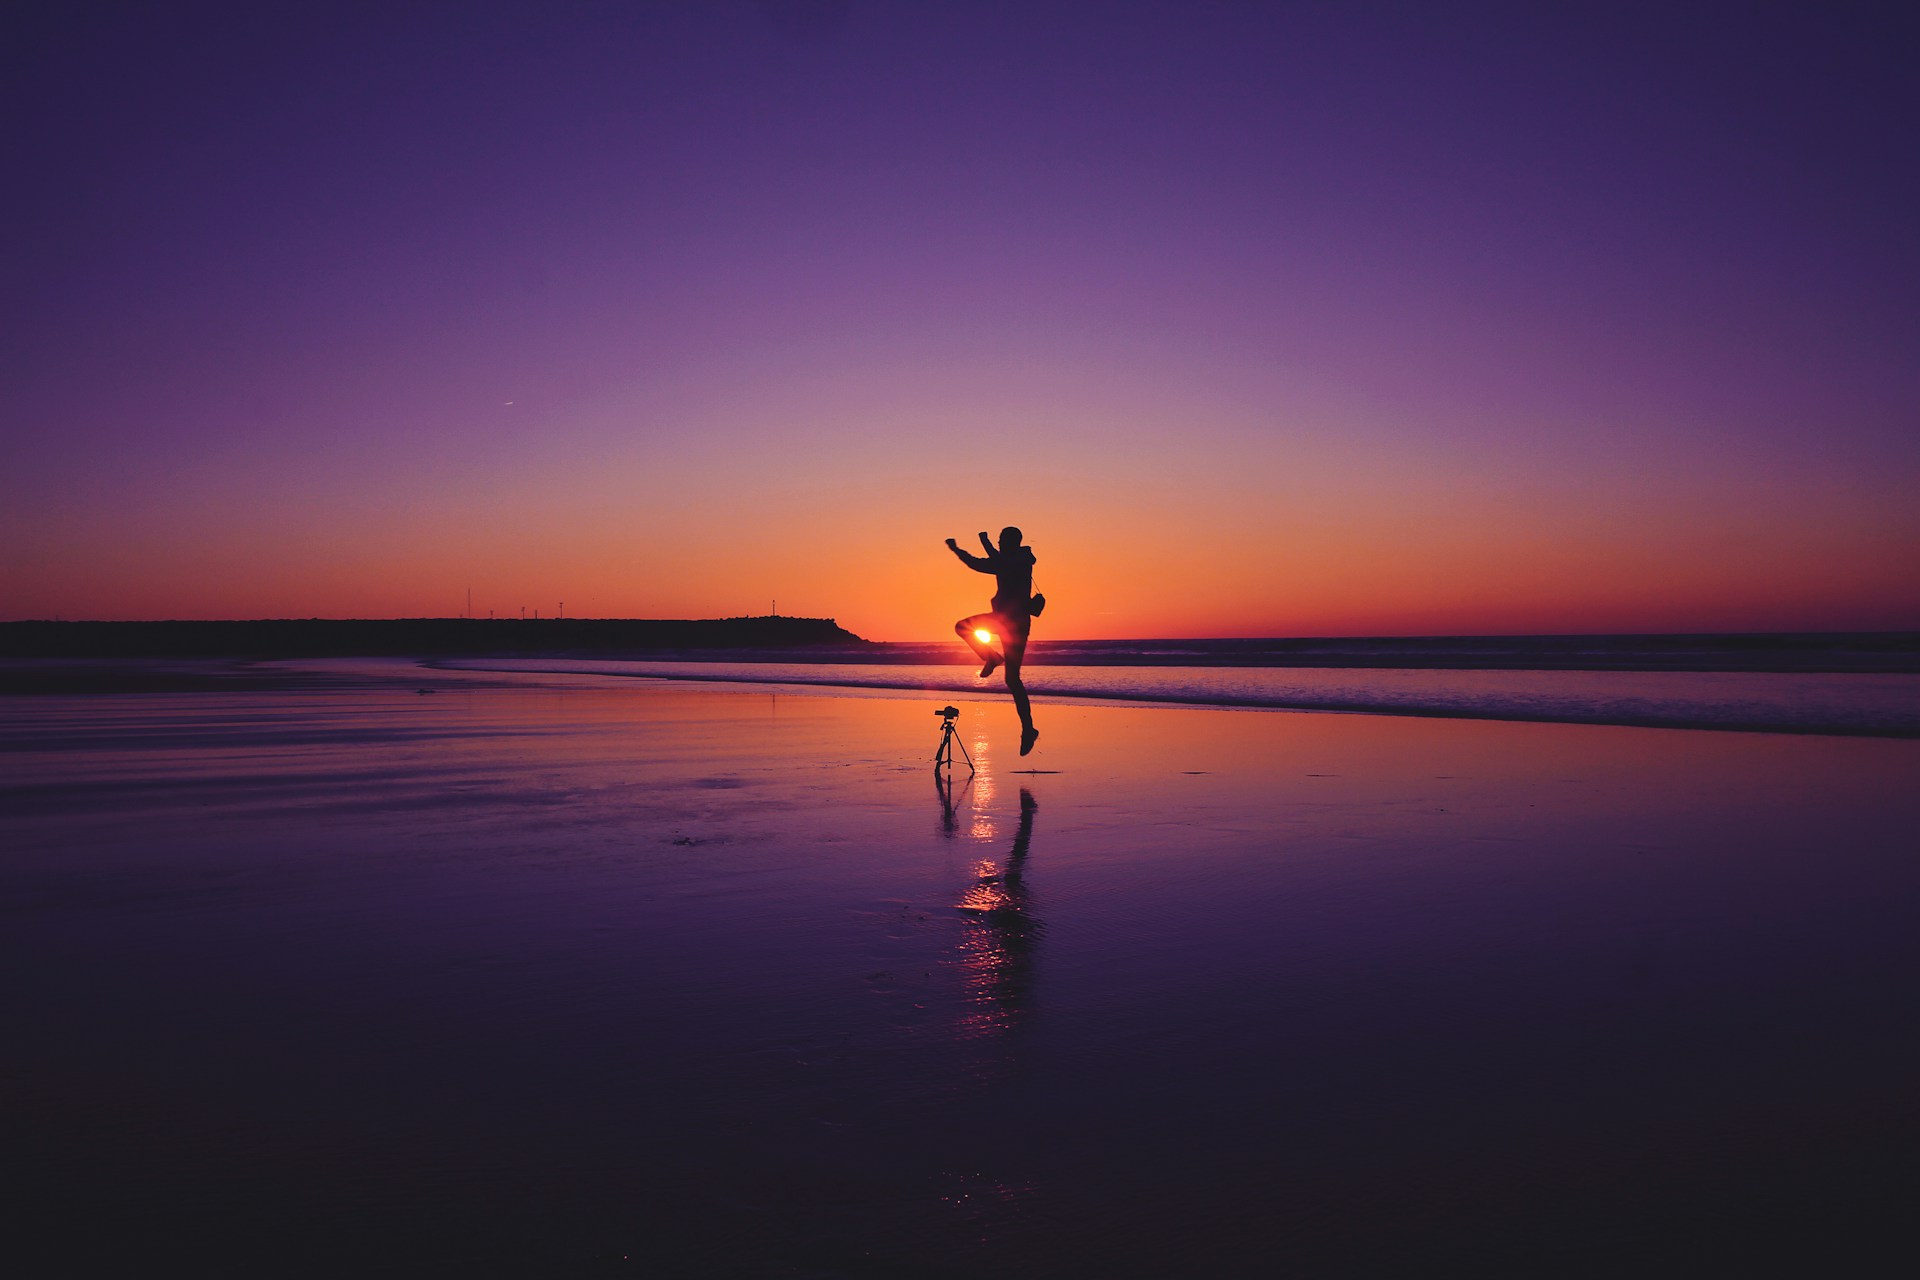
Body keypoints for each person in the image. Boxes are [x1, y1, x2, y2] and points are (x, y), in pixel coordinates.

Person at [946, 526, 1040, 755]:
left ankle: (992, 657)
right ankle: (1028, 729)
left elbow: (984, 564)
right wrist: (985, 543)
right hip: (1009, 621)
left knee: (963, 628)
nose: (999, 544)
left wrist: (958, 550)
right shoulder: (1017, 558)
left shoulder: (1014, 561)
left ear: (1011, 542)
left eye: (1001, 540)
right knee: (1012, 679)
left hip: (1012, 623)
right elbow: (996, 561)